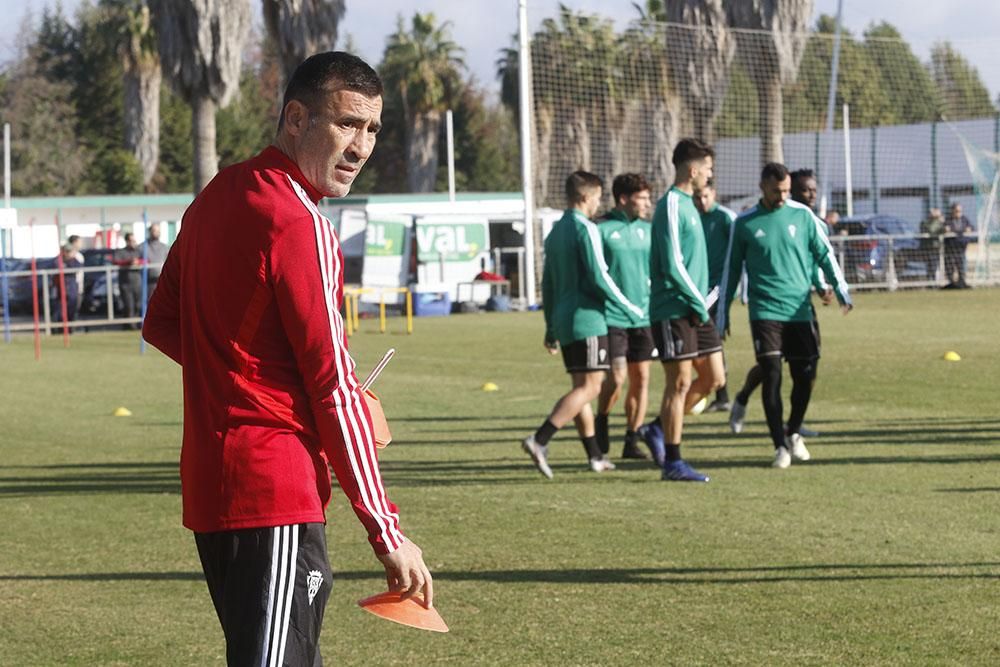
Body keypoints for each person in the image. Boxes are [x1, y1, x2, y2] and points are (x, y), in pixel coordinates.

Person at [143, 52, 433, 665]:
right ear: (296, 117)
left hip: (215, 487)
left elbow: (164, 325)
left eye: (373, 129)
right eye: (348, 124)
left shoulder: (221, 191)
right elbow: (329, 387)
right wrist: (387, 531)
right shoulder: (300, 223)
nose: (361, 146)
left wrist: (246, 377)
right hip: (273, 490)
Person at [717, 163, 852, 469]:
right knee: (772, 374)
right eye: (777, 191)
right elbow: (731, 270)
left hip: (799, 310)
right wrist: (722, 313)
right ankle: (779, 444)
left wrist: (841, 289)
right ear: (762, 186)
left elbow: (823, 254)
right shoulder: (745, 223)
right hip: (765, 311)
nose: (783, 197)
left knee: (805, 377)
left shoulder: (802, 216)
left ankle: (793, 431)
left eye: (786, 191)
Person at [521, 170, 646, 479]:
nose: (599, 203)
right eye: (598, 197)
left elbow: (547, 285)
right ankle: (540, 439)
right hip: (587, 319)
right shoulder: (585, 229)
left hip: (564, 320)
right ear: (585, 197)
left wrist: (550, 327)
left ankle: (595, 455)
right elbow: (600, 277)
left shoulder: (555, 232)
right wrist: (631, 307)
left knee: (581, 388)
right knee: (591, 388)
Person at [640, 138, 725, 483]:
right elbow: (673, 264)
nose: (709, 174)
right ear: (693, 170)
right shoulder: (672, 205)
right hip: (675, 307)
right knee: (679, 382)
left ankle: (656, 430)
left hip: (694, 307)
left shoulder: (691, 205)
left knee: (714, 378)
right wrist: (697, 303)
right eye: (707, 168)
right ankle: (673, 462)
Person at [728, 168, 825, 437]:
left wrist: (822, 285)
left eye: (814, 190)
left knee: (807, 367)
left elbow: (815, 259)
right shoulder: (754, 221)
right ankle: (745, 397)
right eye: (805, 190)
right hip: (768, 307)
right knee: (771, 365)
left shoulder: (809, 220)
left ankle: (793, 423)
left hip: (801, 305)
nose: (811, 195)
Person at [594, 173, 656, 461]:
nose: (647, 203)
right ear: (623, 199)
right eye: (641, 198)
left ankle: (632, 438)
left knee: (641, 379)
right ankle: (602, 417)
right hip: (613, 315)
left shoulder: (649, 230)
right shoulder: (601, 229)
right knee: (616, 379)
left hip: (644, 317)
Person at [694, 180, 736, 413]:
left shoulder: (725, 218)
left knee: (710, 338)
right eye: (698, 197)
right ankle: (719, 393)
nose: (702, 201)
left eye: (706, 196)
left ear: (714, 194)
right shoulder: (693, 216)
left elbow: (739, 250)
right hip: (698, 288)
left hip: (719, 287)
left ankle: (720, 393)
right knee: (710, 340)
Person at [113, 232, 143, 329]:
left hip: (137, 282)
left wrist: (139, 262)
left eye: (134, 240)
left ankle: (138, 324)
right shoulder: (121, 252)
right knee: (128, 305)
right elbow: (115, 261)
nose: (133, 243)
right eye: (130, 240)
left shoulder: (138, 251)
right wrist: (128, 262)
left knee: (138, 304)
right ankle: (129, 325)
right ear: (126, 241)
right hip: (125, 283)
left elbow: (147, 260)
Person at [943, 202, 974, 288]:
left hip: (961, 247)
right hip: (951, 247)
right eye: (957, 211)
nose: (958, 213)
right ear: (952, 211)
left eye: (960, 211)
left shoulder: (964, 219)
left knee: (961, 266)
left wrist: (963, 230)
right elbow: (947, 229)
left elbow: (970, 227)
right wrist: (960, 231)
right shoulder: (948, 220)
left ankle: (962, 282)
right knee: (950, 266)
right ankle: (952, 283)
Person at [52, 243, 82, 326]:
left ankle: (70, 327)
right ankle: (58, 328)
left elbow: (76, 268)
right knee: (59, 310)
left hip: (72, 289)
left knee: (72, 309)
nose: (68, 253)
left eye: (69, 251)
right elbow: (56, 267)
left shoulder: (74, 260)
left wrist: (69, 262)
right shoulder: (58, 260)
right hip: (60, 289)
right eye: (66, 251)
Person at [140, 222, 169, 300]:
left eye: (158, 231)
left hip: (162, 281)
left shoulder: (164, 247)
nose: (156, 233)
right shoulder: (143, 247)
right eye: (154, 231)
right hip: (148, 281)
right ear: (150, 232)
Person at [920, 207, 945, 282]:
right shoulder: (925, 222)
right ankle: (931, 282)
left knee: (937, 265)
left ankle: (935, 281)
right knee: (931, 266)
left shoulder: (941, 222)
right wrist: (937, 220)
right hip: (930, 247)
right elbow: (931, 230)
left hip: (939, 247)